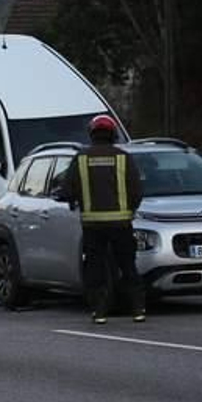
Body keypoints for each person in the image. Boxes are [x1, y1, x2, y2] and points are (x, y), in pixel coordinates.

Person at [59, 114, 145, 324]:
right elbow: (137, 190)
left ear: (92, 134)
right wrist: (130, 210)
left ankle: (99, 311)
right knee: (128, 265)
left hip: (93, 226)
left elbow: (67, 189)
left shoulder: (81, 159)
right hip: (122, 224)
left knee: (95, 267)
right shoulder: (123, 158)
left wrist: (71, 199)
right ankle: (138, 309)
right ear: (113, 134)